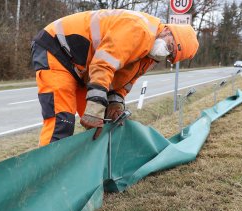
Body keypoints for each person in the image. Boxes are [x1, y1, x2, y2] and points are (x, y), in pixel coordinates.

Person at [31, 10, 199, 146]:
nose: (166, 53)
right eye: (170, 46)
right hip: (58, 50)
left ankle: (90, 172)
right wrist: (96, 105)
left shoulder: (150, 56)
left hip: (83, 69)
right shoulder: (138, 30)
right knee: (62, 122)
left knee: (100, 126)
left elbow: (123, 81)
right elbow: (103, 65)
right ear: (167, 31)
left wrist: (115, 103)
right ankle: (45, 181)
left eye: (170, 56)